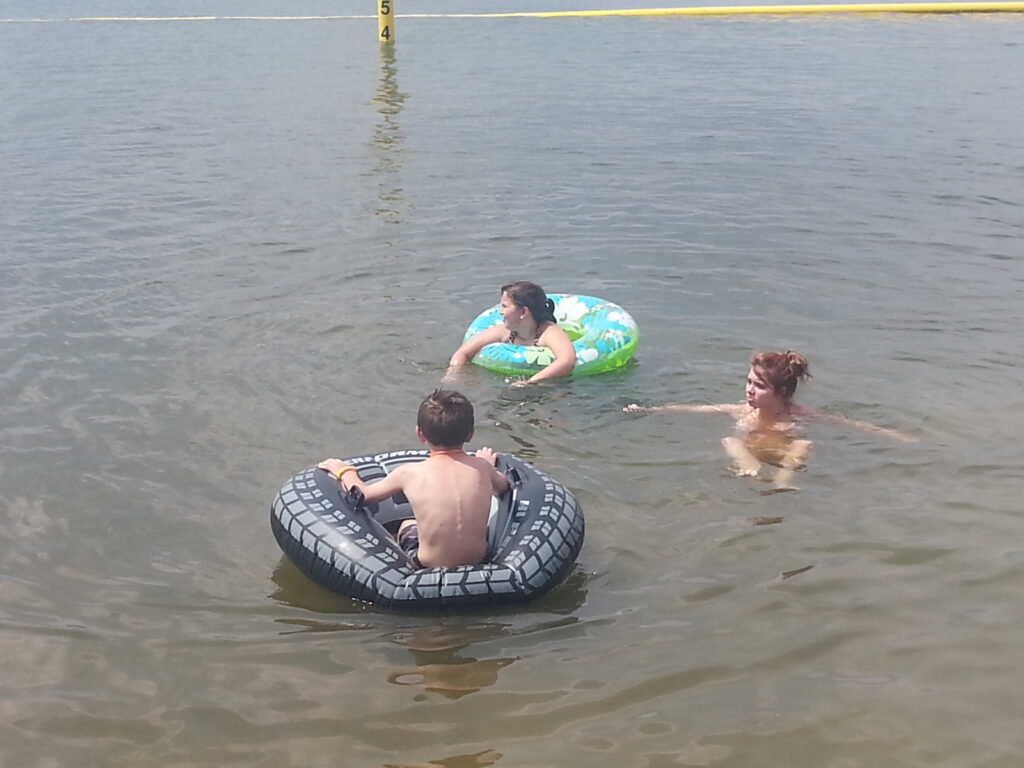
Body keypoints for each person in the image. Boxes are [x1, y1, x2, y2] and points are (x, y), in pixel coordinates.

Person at [624, 350, 914, 489]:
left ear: (781, 392)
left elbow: (851, 424)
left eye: (759, 386)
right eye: (749, 381)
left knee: (802, 444)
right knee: (729, 440)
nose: (749, 390)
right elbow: (697, 409)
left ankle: (783, 480)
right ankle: (749, 467)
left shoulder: (799, 415)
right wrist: (651, 409)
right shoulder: (742, 411)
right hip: (750, 454)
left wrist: (898, 437)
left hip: (784, 457)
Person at [318, 389, 509, 569]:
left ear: (420, 434)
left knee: (407, 524)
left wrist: (346, 472)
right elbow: (503, 487)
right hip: (479, 561)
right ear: (470, 435)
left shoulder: (409, 473)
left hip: (427, 565)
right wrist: (487, 465)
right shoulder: (482, 467)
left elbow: (364, 496)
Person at [447, 281, 576, 387]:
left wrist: (531, 382)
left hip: (552, 387)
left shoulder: (549, 332)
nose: (500, 312)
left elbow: (567, 361)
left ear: (523, 312)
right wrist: (454, 375)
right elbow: (462, 353)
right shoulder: (504, 331)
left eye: (505, 306)